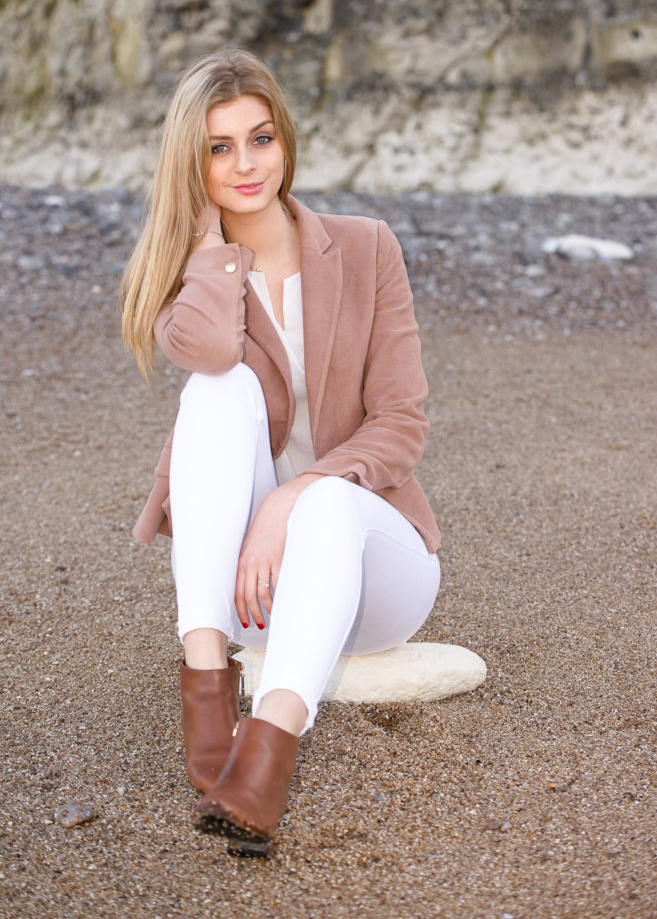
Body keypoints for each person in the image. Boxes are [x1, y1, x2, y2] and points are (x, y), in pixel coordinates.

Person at [120, 48, 441, 856]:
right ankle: (207, 682)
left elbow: (400, 423)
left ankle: (267, 754)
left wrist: (288, 501)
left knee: (326, 497)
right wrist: (212, 252)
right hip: (255, 597)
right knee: (217, 387)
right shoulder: (189, 280)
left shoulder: (366, 248)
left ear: (285, 141)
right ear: (192, 165)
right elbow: (207, 351)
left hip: (377, 581)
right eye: (218, 148)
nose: (246, 164)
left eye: (260, 138)